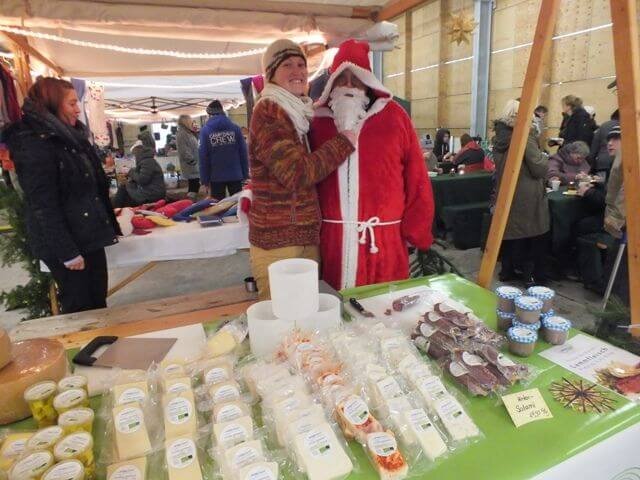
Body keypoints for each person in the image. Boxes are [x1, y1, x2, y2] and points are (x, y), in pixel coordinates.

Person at [310, 39, 435, 290]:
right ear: (331, 82)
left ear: (367, 82)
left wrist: (416, 230)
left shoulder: (395, 118)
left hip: (384, 243)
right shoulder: (316, 124)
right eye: (341, 78)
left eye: (355, 78)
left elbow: (417, 177)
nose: (348, 85)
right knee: (335, 308)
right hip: (331, 244)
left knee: (385, 307)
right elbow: (298, 172)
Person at [248, 39, 356, 299]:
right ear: (271, 73)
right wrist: (343, 143)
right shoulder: (270, 111)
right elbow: (296, 173)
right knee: (284, 317)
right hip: (279, 244)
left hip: (303, 238)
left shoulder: (296, 112)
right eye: (287, 65)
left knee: (306, 315)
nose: (297, 71)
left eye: (301, 64)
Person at [3, 77, 120, 313]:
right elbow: (43, 205)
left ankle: (101, 336)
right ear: (52, 104)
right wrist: (67, 251)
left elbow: (87, 186)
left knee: (97, 303)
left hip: (87, 233)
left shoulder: (70, 136)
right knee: (80, 307)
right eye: (72, 103)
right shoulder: (34, 143)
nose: (78, 110)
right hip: (68, 241)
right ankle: (86, 338)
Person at [492, 99, 549, 287]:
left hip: (508, 191)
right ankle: (530, 276)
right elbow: (538, 168)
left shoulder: (500, 138)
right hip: (527, 194)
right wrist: (545, 158)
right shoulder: (524, 136)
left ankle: (507, 270)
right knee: (531, 235)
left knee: (510, 233)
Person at [199, 100, 248, 200]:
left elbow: (203, 157)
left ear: (209, 114)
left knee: (217, 205)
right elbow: (243, 152)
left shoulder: (205, 131)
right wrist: (245, 174)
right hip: (235, 174)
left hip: (215, 176)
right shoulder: (235, 128)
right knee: (237, 204)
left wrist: (205, 180)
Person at [113, 140, 166, 207]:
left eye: (134, 155)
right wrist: (132, 171)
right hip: (153, 192)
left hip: (151, 194)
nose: (134, 157)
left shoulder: (147, 162)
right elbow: (143, 174)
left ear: (137, 154)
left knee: (123, 189)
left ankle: (115, 209)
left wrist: (129, 171)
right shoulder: (148, 161)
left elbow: (142, 180)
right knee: (126, 189)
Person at [176, 114, 200, 200]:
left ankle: (191, 202)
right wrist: (192, 161)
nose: (192, 122)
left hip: (194, 164)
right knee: (194, 186)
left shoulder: (188, 132)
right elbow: (184, 150)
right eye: (190, 120)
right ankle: (190, 203)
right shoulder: (182, 134)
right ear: (186, 122)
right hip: (191, 165)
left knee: (194, 185)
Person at [589, 109, 619, 178]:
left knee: (602, 183)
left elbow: (594, 147)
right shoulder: (626, 125)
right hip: (618, 163)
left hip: (603, 162)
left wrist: (591, 164)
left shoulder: (603, 126)